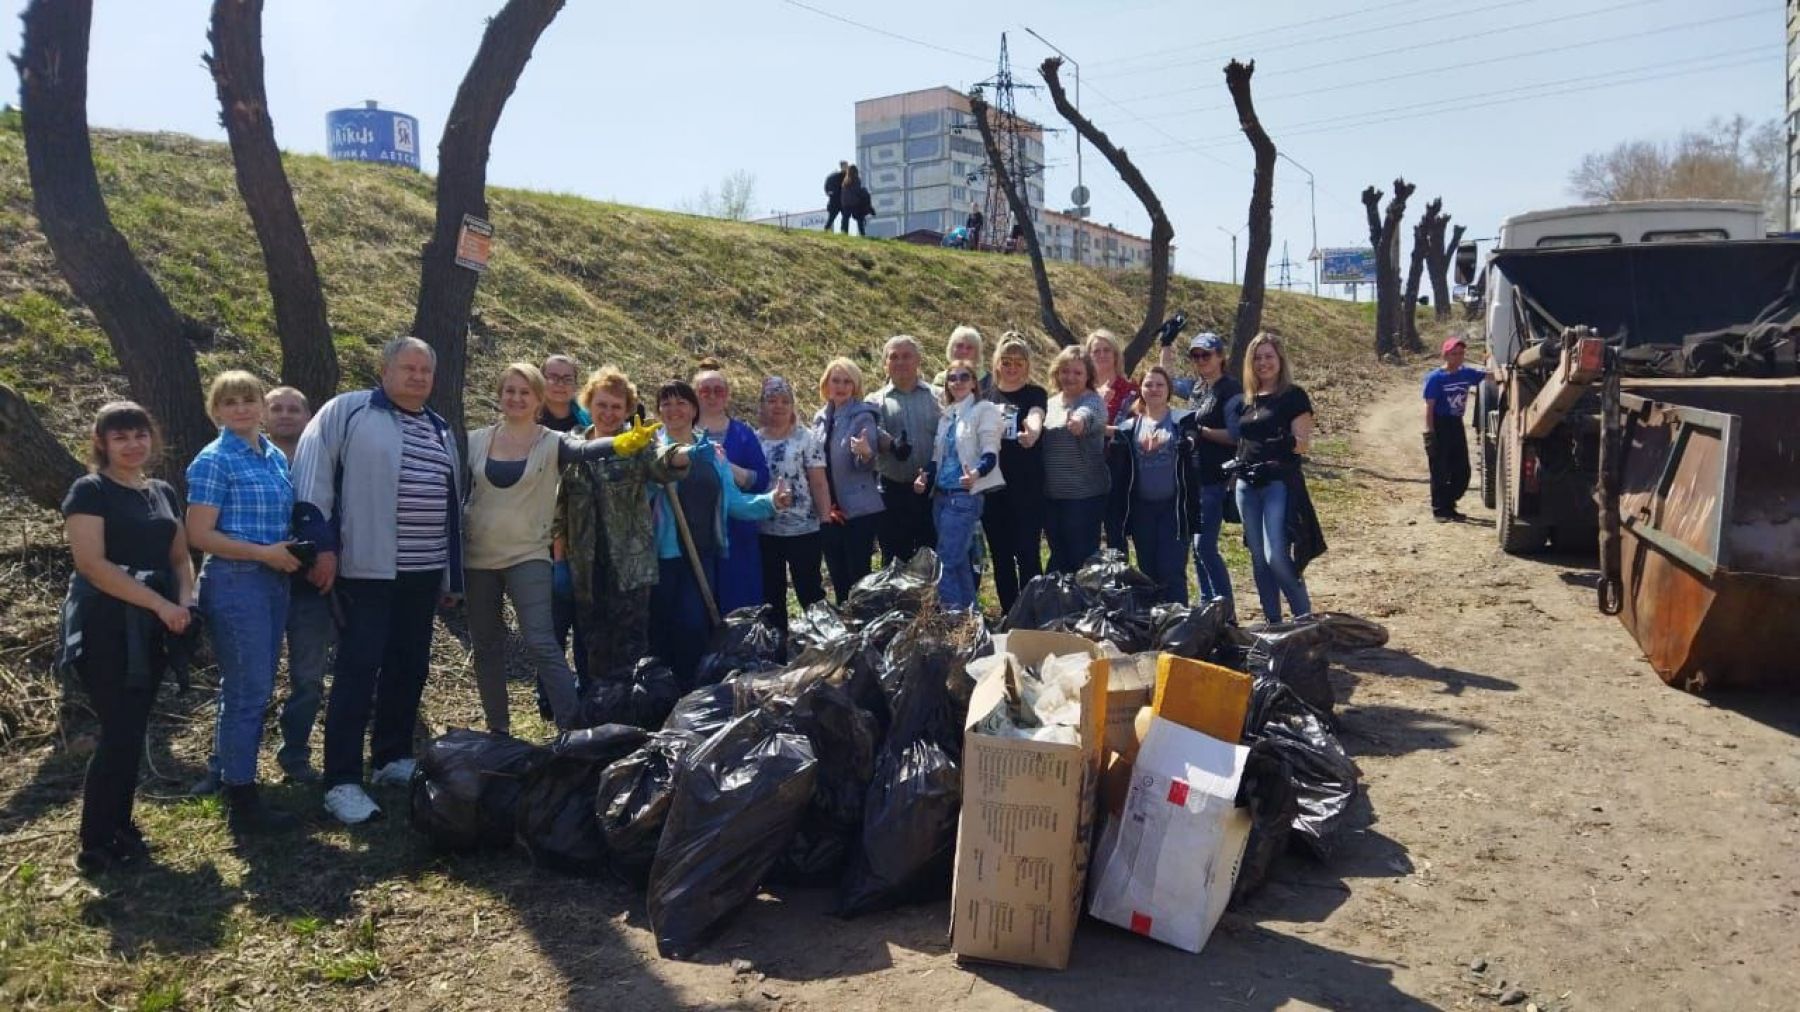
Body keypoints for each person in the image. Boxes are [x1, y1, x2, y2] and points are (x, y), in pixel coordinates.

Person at [292, 336, 464, 826]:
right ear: (384, 370)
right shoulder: (348, 412)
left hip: (422, 573)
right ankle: (341, 781)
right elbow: (312, 478)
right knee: (358, 669)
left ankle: (391, 756)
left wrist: (450, 575)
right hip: (367, 571)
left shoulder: (439, 429)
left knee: (409, 666)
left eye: (425, 370)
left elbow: (451, 507)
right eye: (408, 367)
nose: (417, 377)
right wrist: (320, 546)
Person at [464, 363, 639, 736]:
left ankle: (572, 729)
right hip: (478, 557)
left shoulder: (551, 442)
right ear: (500, 395)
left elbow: (585, 448)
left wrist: (618, 443)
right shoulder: (474, 441)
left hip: (528, 555)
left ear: (538, 399)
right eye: (510, 391)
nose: (516, 398)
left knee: (542, 641)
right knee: (486, 646)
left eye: (525, 392)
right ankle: (498, 731)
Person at [58, 403, 198, 873]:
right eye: (120, 437)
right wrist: (160, 604)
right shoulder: (90, 491)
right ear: (102, 443)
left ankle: (120, 826)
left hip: (155, 625)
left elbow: (179, 558)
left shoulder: (161, 491)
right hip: (106, 623)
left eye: (139, 435)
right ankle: (95, 842)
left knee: (134, 729)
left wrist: (186, 603)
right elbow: (92, 565)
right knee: (118, 729)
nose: (132, 444)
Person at [186, 371, 303, 834]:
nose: (240, 409)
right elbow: (199, 534)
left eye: (248, 399)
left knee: (247, 686)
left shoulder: (272, 456)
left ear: (261, 405)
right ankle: (243, 799)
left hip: (273, 580)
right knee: (249, 691)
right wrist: (262, 553)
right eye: (229, 402)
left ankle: (227, 773)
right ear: (215, 411)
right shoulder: (215, 460)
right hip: (237, 581)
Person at [650, 380, 790, 687]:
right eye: (666, 403)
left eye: (681, 402)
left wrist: (770, 502)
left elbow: (734, 502)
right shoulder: (650, 449)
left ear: (694, 409)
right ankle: (660, 692)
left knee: (693, 626)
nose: (673, 409)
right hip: (660, 555)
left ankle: (692, 690)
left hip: (701, 552)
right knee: (659, 627)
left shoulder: (713, 453)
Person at [556, 367, 691, 680]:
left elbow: (662, 462)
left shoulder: (637, 443)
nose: (608, 413)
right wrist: (560, 562)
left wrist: (686, 453)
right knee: (592, 644)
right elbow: (559, 507)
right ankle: (594, 702)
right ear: (589, 403)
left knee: (630, 649)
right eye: (602, 404)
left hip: (630, 568)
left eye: (616, 407)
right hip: (586, 566)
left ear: (628, 409)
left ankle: (628, 705)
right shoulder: (571, 445)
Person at [264, 386, 335, 781]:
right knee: (249, 679)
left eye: (294, 409)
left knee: (308, 678)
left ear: (308, 418)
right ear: (264, 416)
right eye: (276, 408)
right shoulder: (249, 462)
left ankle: (295, 755)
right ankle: (227, 764)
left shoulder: (324, 463)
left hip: (310, 590)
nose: (285, 415)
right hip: (258, 584)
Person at [1234, 331, 1316, 622]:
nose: (1263, 363)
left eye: (1269, 356)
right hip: (1246, 485)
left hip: (1277, 484)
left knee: (1276, 556)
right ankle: (1273, 622)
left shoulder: (1293, 396)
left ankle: (1304, 618)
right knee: (1258, 559)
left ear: (1280, 360)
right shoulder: (1247, 400)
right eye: (1257, 358)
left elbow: (1303, 444)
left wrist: (1285, 443)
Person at [1162, 332, 1242, 620]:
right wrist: (1166, 345)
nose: (1200, 360)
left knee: (1204, 546)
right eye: (1195, 355)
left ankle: (1226, 611)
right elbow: (1168, 380)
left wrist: (1202, 431)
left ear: (1220, 357)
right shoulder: (1198, 387)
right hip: (1193, 478)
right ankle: (1210, 607)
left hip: (1216, 478)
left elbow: (1236, 436)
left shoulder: (1230, 390)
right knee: (1197, 549)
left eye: (1206, 355)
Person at [917, 359, 1004, 611]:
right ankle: (971, 619)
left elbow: (990, 452)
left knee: (944, 563)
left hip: (964, 497)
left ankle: (954, 621)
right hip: (941, 497)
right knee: (959, 564)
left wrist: (976, 474)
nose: (958, 382)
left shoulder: (984, 410)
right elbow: (937, 459)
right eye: (952, 378)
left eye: (964, 377)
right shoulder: (947, 415)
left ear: (974, 382)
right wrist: (925, 477)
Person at [693, 360, 771, 613]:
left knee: (740, 602)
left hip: (738, 530)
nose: (712, 396)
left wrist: (727, 468)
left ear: (727, 395)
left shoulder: (743, 434)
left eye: (718, 390)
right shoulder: (684, 432)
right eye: (705, 390)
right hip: (696, 531)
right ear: (695, 395)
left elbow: (761, 479)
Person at [755, 376, 831, 634]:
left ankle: (821, 640)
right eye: (772, 400)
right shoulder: (755, 440)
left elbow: (818, 482)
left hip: (804, 528)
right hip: (766, 529)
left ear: (792, 405)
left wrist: (826, 520)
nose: (778, 406)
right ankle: (777, 644)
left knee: (809, 590)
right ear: (762, 405)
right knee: (772, 593)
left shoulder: (806, 438)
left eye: (784, 401)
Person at [981, 333, 1047, 615]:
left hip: (1026, 489)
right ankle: (1010, 613)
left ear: (1027, 365)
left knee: (1028, 553)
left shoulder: (1035, 393)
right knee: (1001, 556)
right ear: (997, 363)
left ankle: (1034, 612)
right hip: (992, 489)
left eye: (1018, 362)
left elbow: (1036, 414)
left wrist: (1033, 432)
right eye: (1006, 361)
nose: (1012, 367)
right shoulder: (985, 397)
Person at [540, 354, 594, 699]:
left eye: (567, 378)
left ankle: (587, 689)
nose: (559, 384)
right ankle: (549, 694)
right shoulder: (529, 419)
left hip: (582, 531)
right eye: (553, 377)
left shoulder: (586, 422)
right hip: (538, 532)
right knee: (550, 622)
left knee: (585, 619)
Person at [1112, 367, 1189, 605]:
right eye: (1148, 385)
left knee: (1171, 570)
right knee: (1148, 570)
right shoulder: (1129, 427)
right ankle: (1155, 619)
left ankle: (1178, 620)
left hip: (1173, 508)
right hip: (1142, 509)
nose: (1154, 389)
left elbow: (1195, 450)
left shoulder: (1182, 421)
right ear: (1141, 390)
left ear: (1169, 390)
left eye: (1159, 385)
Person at [812, 358, 884, 603]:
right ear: (826, 384)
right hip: (828, 509)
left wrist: (865, 452)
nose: (841, 387)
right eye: (836, 381)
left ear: (855, 386)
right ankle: (845, 620)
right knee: (837, 573)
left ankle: (865, 620)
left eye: (847, 382)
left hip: (858, 510)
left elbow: (866, 464)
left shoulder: (862, 416)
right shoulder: (820, 418)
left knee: (859, 576)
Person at [870, 335, 940, 564]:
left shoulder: (938, 397)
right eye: (894, 357)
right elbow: (873, 438)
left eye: (907, 356)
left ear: (918, 360)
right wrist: (891, 444)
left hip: (932, 494)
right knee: (895, 562)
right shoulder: (874, 402)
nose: (900, 362)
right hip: (892, 494)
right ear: (885, 364)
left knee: (931, 561)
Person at [1041, 346, 1110, 573]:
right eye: (1065, 371)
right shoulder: (1050, 403)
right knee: (1058, 557)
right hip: (1053, 497)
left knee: (1082, 561)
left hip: (1084, 498)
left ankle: (1084, 597)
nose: (1070, 377)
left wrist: (1078, 422)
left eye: (1077, 373)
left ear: (1088, 375)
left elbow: (1087, 415)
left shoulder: (1093, 401)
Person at [1424, 336, 1487, 522]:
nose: (1458, 357)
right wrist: (1429, 432)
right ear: (1445, 355)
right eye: (1454, 354)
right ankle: (1440, 510)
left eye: (1461, 353)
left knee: (1462, 470)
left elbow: (1489, 376)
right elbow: (1429, 407)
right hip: (1440, 423)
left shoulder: (1466, 374)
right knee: (1440, 469)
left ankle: (1449, 503)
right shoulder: (1436, 378)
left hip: (1456, 423)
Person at [1087, 329, 1140, 552]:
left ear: (1116, 355)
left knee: (1115, 528)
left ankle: (1118, 572)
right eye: (1096, 351)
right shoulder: (1081, 390)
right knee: (1086, 529)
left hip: (1117, 468)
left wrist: (1095, 428)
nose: (1101, 355)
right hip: (1084, 467)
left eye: (1106, 350)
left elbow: (1134, 430)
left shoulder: (1131, 391)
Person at [931, 325, 991, 392]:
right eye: (959, 346)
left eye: (969, 348)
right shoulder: (941, 379)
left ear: (977, 353)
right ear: (951, 348)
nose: (964, 351)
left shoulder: (989, 382)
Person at [840, 165, 872, 236]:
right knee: (859, 219)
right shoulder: (856, 179)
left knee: (845, 219)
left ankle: (844, 233)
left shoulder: (845, 181)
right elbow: (857, 191)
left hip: (846, 204)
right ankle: (862, 234)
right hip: (854, 203)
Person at [823, 160, 848, 232]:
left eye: (847, 166)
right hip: (835, 201)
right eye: (845, 166)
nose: (846, 168)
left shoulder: (848, 177)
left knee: (845, 218)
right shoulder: (834, 177)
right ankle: (826, 230)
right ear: (842, 167)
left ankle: (844, 232)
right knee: (831, 218)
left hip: (844, 201)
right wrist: (830, 193)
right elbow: (827, 188)